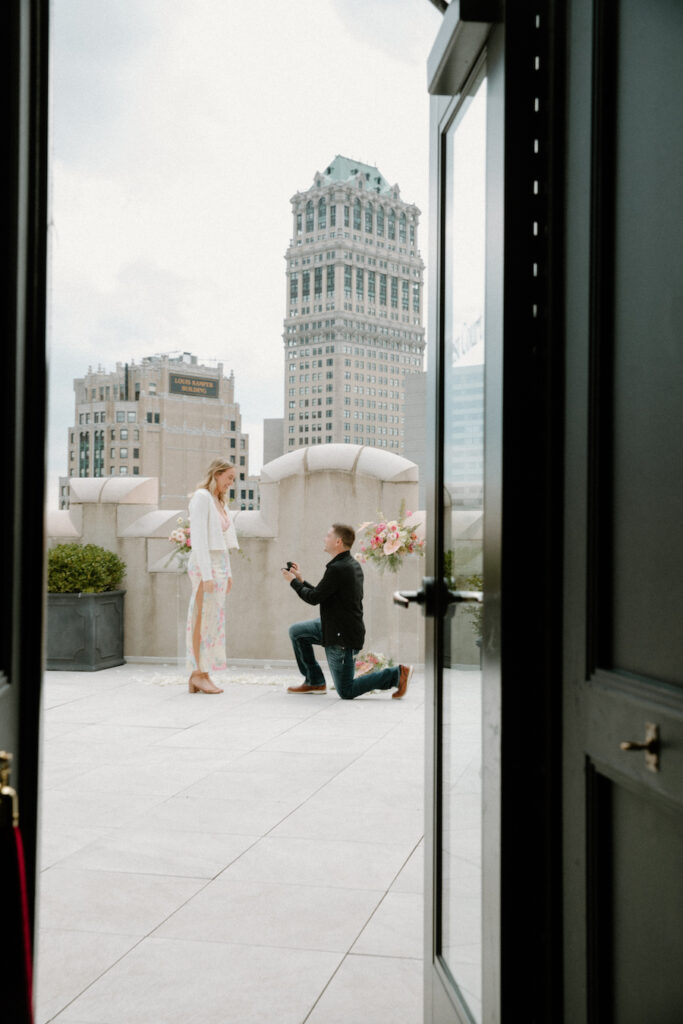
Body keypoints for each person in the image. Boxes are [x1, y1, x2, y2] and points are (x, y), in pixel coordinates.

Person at [282, 522, 413, 699]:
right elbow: (321, 594)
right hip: (334, 626)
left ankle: (397, 674)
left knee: (346, 690)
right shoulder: (346, 564)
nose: (324, 538)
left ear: (338, 541)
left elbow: (313, 599)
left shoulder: (339, 568)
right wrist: (300, 580)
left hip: (342, 637)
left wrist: (293, 582)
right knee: (297, 632)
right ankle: (314, 681)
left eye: (328, 535)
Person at [186, 458, 238, 694]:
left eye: (233, 479)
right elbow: (199, 539)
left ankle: (204, 672)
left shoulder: (219, 501)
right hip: (203, 565)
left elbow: (224, 542)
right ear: (216, 474)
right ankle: (198, 674)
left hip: (218, 565)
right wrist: (206, 575)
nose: (231, 483)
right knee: (201, 618)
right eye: (229, 477)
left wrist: (227, 573)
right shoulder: (202, 498)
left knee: (213, 622)